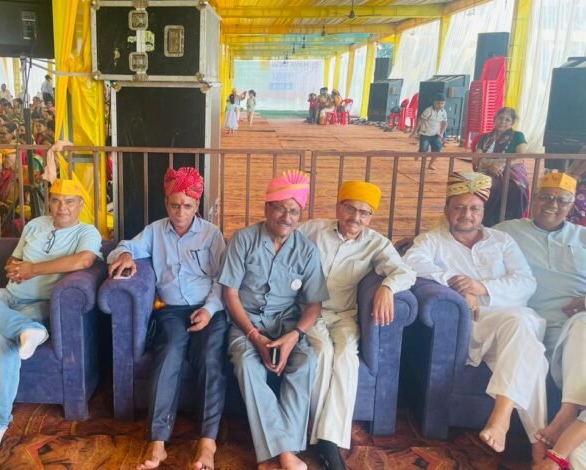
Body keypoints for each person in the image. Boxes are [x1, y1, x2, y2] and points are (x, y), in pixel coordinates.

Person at [403, 171, 547, 463]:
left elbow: (526, 282)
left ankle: (502, 418)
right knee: (531, 352)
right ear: (447, 208)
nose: (466, 214)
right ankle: (537, 444)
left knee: (521, 331)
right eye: (459, 207)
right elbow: (411, 264)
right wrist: (457, 286)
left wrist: (481, 287)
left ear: (483, 211)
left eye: (474, 208)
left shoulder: (502, 240)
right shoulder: (432, 241)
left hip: (513, 317)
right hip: (478, 325)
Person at [0, 178, 102, 457]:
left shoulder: (86, 231)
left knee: (0, 337)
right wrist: (14, 268)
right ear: (49, 202)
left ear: (80, 204)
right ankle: (25, 329)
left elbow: (84, 261)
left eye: (69, 202)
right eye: (56, 200)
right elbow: (13, 259)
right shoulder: (35, 225)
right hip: (9, 296)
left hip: (40, 303)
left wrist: (33, 269)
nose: (62, 207)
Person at [107, 167, 227, 470]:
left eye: (187, 205)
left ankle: (207, 443)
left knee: (209, 357)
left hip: (208, 309)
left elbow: (223, 278)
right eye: (175, 205)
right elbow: (123, 247)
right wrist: (124, 255)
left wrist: (209, 310)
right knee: (169, 354)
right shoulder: (155, 231)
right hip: (171, 312)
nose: (180, 212)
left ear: (197, 205)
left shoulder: (211, 234)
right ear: (166, 203)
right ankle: (158, 442)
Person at [299, 181, 416, 470]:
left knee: (346, 359)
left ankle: (327, 439)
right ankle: (326, 444)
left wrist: (387, 287)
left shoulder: (376, 243)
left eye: (364, 213)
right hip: (309, 311)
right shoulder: (313, 229)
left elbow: (405, 272)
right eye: (350, 209)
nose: (356, 218)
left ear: (371, 217)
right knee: (322, 353)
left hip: (344, 315)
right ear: (338, 208)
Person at [220, 170, 328, 470]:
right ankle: (282, 454)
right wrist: (254, 336)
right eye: (280, 208)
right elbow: (230, 294)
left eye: (294, 211)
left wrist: (294, 337)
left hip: (287, 324)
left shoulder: (306, 250)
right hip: (246, 322)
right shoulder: (243, 239)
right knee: (247, 365)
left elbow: (314, 304)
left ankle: (281, 452)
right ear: (267, 208)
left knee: (305, 362)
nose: (286, 217)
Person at [493, 173, 586, 456]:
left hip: (577, 318)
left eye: (562, 200)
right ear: (534, 199)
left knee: (582, 324)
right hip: (534, 319)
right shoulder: (507, 232)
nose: (552, 205)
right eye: (546, 197)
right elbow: (467, 239)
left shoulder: (582, 237)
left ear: (571, 205)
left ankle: (567, 414)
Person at [473, 107, 530, 227]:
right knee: (486, 186)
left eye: (507, 120)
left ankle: (510, 223)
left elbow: (521, 157)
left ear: (512, 123)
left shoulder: (518, 136)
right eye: (500, 118)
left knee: (515, 188)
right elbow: (476, 158)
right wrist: (490, 165)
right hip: (487, 168)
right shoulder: (485, 137)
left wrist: (503, 164)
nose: (503, 122)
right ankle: (486, 222)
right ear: (495, 119)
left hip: (511, 168)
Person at [412, 93, 447, 170]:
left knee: (437, 150)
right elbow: (420, 120)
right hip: (425, 134)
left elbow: (444, 123)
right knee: (424, 150)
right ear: (434, 102)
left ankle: (430, 165)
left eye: (442, 103)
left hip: (436, 134)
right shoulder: (428, 110)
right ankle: (419, 151)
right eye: (438, 103)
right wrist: (414, 132)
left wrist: (441, 133)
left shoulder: (444, 112)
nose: (440, 105)